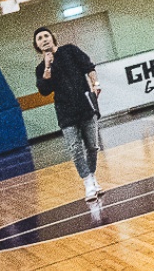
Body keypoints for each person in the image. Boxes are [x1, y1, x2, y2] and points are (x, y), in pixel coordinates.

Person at [32, 26, 104, 198]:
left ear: (52, 37)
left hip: (85, 105)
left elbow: (89, 67)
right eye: (39, 38)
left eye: (46, 35)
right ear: (37, 45)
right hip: (65, 112)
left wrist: (95, 84)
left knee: (93, 146)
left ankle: (92, 176)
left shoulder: (70, 50)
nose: (44, 39)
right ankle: (88, 182)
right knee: (75, 148)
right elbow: (44, 90)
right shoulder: (40, 69)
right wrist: (48, 66)